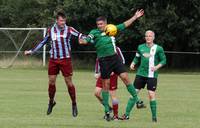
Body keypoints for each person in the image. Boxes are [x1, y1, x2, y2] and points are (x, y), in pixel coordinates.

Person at [79, 9, 144, 121]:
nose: (99, 26)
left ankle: (138, 100)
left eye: (101, 24)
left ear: (106, 23)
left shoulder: (111, 28)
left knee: (126, 78)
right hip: (104, 61)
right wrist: (83, 41)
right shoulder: (94, 32)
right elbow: (87, 39)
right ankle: (107, 111)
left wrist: (135, 17)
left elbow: (124, 25)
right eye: (98, 24)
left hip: (115, 58)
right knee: (106, 86)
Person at [24, 12, 82, 117]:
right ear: (57, 20)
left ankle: (74, 104)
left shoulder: (70, 29)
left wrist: (90, 38)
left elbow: (81, 36)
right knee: (51, 82)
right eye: (61, 20)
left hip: (65, 60)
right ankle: (51, 102)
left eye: (64, 21)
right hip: (53, 60)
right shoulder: (51, 30)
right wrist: (32, 51)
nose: (63, 23)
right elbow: (43, 42)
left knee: (69, 83)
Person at [129, 30, 166, 122]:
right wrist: (133, 63)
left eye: (150, 36)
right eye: (146, 36)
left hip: (152, 75)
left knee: (151, 95)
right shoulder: (140, 47)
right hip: (140, 74)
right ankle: (126, 115)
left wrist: (157, 67)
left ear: (153, 37)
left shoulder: (158, 48)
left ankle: (154, 118)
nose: (148, 37)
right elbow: (137, 57)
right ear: (145, 37)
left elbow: (163, 61)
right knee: (133, 94)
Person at [94, 47, 125, 120]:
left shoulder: (116, 49)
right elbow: (98, 60)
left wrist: (114, 70)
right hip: (103, 73)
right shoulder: (101, 47)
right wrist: (96, 72)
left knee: (112, 95)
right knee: (97, 93)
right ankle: (108, 108)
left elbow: (122, 61)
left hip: (112, 75)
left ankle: (115, 115)